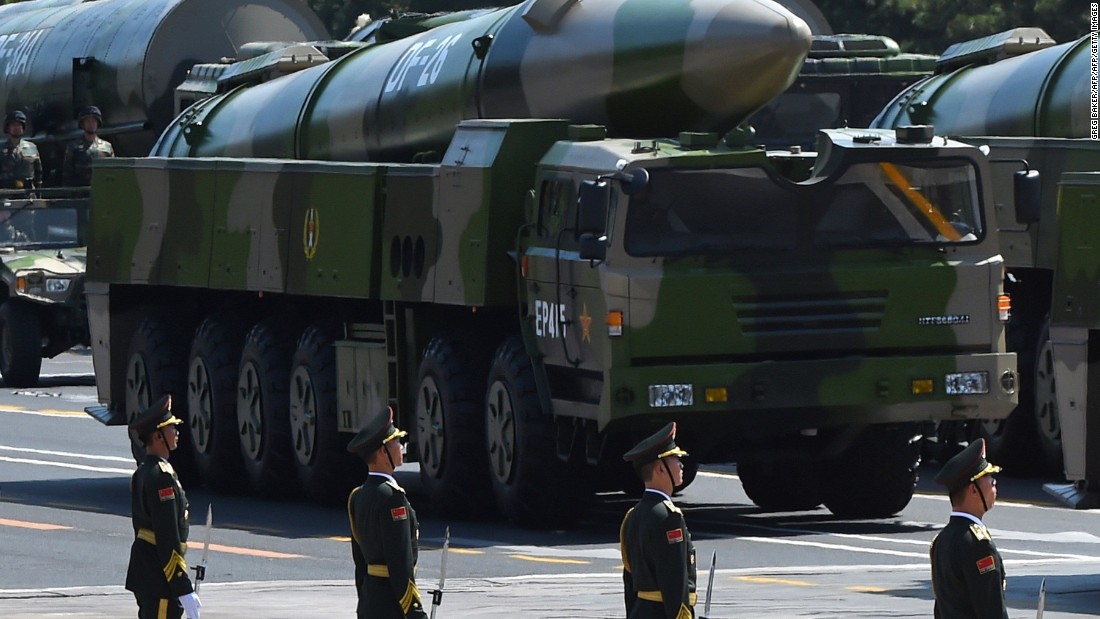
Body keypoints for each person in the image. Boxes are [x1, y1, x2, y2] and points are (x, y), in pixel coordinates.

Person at [347, 407, 428, 619]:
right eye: (396, 443)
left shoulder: (358, 496)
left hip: (371, 601)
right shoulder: (392, 499)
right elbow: (400, 563)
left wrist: (365, 599)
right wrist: (415, 611)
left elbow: (360, 562)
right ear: (384, 452)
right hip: (392, 605)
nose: (401, 447)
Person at [125, 395, 202, 619]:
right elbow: (167, 536)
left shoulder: (144, 472)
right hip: (159, 578)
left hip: (149, 573)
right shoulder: (161, 477)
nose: (176, 432)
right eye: (171, 428)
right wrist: (182, 587)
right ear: (158, 436)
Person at [620, 422, 697, 619]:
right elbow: (674, 582)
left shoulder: (633, 515)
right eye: (674, 459)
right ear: (660, 469)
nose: (680, 464)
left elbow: (629, 581)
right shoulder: (668, 518)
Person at [929, 438, 1007, 619]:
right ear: (973, 490)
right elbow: (990, 610)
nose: (994, 482)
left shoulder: (942, 539)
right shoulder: (978, 544)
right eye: (988, 477)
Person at [62, 105, 114, 186]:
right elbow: (67, 176)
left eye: (94, 121)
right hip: (80, 194)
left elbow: (113, 172)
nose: (91, 124)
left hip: (102, 191)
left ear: (98, 123)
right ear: (83, 124)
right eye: (88, 121)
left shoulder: (107, 147)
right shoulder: (73, 147)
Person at [0, 110, 42, 191]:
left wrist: (38, 192)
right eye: (14, 125)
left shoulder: (31, 147)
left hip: (28, 192)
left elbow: (38, 173)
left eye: (19, 125)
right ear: (8, 128)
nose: (17, 128)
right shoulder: (1, 149)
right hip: (6, 193)